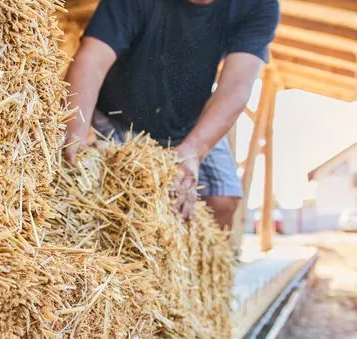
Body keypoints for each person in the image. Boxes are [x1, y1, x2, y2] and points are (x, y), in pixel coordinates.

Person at [63, 0, 280, 230]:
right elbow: (92, 59)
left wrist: (193, 151)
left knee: (222, 200)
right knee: (122, 197)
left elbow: (236, 85)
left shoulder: (259, 5)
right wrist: (75, 133)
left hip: (190, 121)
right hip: (118, 114)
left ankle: (195, 263)